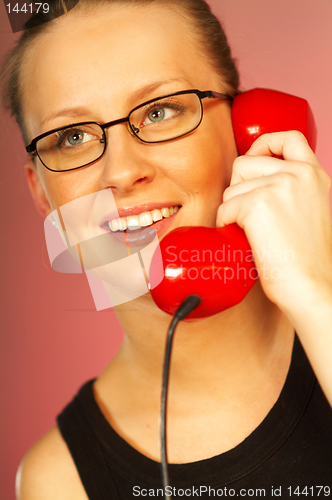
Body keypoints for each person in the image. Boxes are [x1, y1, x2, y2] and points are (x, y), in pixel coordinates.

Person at [1, 0, 332, 498]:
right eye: (72, 137)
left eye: (160, 111)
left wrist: (315, 297)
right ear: (41, 194)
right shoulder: (61, 480)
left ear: (245, 127)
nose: (120, 172)